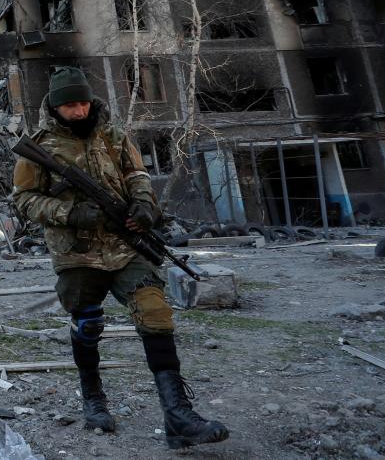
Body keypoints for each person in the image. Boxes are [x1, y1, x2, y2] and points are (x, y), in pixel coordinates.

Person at [12, 65, 229, 448]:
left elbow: (137, 174)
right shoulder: (39, 145)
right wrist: (70, 213)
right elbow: (24, 200)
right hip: (77, 253)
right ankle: (94, 400)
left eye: (82, 102)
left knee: (155, 312)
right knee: (87, 324)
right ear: (55, 107)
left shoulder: (112, 134)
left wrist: (145, 206)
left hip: (126, 245)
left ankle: (177, 414)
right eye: (69, 106)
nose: (78, 111)